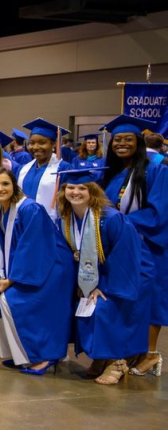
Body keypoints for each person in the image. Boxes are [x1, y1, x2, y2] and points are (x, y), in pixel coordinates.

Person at [52, 167, 151, 383]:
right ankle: (101, 356)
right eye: (70, 187)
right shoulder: (66, 218)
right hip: (92, 276)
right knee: (73, 303)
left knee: (103, 307)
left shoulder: (111, 218)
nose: (75, 192)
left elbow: (125, 258)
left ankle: (117, 361)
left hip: (128, 277)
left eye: (82, 188)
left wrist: (102, 286)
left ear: (93, 191)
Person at [0, 168, 73, 375]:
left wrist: (13, 280)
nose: (0, 188)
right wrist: (0, 276)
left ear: (14, 186)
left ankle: (43, 356)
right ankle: (22, 355)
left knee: (13, 301)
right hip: (27, 267)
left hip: (49, 269)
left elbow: (34, 247)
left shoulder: (29, 209)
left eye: (5, 184)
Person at [97, 115, 168, 378]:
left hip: (147, 244)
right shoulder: (112, 173)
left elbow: (159, 212)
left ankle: (150, 352)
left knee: (150, 297)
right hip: (119, 246)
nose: (122, 144)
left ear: (138, 142)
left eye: (128, 139)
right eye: (117, 140)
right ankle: (133, 350)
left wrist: (122, 224)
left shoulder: (156, 170)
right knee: (126, 297)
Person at [18, 118, 73, 217]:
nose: (35, 147)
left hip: (51, 225)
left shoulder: (63, 169)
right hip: (24, 223)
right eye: (31, 143)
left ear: (53, 144)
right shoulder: (23, 169)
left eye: (42, 143)